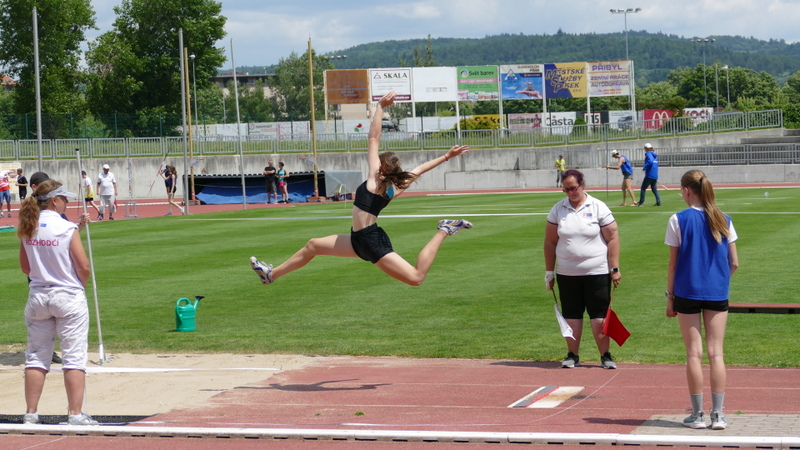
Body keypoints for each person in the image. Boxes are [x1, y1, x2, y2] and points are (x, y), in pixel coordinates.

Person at [250, 90, 472, 287]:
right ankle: (270, 275)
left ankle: (444, 229)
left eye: (379, 161)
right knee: (313, 245)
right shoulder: (392, 185)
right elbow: (419, 169)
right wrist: (446, 156)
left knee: (416, 277)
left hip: (371, 241)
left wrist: (380, 107)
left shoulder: (377, 180)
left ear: (383, 166)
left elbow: (374, 137)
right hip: (358, 238)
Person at [17, 179, 99, 426]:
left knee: (36, 356)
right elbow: (83, 265)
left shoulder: (28, 226)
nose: (67, 202)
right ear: (54, 200)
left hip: (38, 295)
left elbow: (25, 267)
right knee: (74, 355)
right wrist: (78, 286)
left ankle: (31, 413)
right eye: (64, 198)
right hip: (67, 295)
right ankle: (75, 414)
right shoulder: (66, 227)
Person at [665, 170, 738, 430]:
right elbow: (734, 263)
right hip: (717, 292)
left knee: (693, 354)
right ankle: (718, 415)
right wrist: (718, 280)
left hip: (687, 291)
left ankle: (697, 415)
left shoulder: (678, 219)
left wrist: (670, 297)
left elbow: (673, 265)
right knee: (716, 353)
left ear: (687, 191)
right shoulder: (724, 219)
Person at [543, 169, 621, 370]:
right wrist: (549, 272)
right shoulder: (558, 209)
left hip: (597, 272)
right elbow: (550, 241)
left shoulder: (597, 207)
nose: (570, 193)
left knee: (599, 317)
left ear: (582, 185)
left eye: (573, 188)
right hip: (567, 273)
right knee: (571, 315)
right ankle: (572, 355)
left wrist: (614, 268)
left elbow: (613, 238)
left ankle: (605, 356)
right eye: (566, 189)